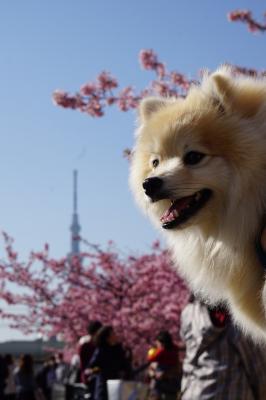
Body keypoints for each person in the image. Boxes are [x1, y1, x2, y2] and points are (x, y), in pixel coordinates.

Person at [180, 297, 266, 400]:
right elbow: (256, 364)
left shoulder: (189, 313)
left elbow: (189, 360)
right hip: (231, 393)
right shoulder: (238, 318)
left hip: (194, 392)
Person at [88, 325, 132, 400]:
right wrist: (101, 370)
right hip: (103, 385)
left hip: (117, 385)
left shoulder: (119, 349)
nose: (115, 335)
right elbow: (92, 365)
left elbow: (125, 366)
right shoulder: (101, 350)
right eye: (113, 333)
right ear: (107, 338)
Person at [147, 331, 181, 400]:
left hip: (169, 387)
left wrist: (165, 374)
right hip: (158, 387)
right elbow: (150, 368)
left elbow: (177, 369)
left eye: (158, 343)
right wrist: (153, 373)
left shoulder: (172, 354)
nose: (157, 344)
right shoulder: (157, 353)